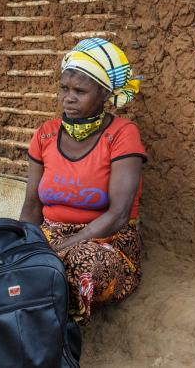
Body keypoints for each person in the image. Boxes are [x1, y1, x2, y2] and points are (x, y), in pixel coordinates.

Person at [19, 38, 147, 325]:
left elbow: (119, 214)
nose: (69, 97)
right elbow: (31, 206)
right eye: (64, 88)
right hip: (51, 235)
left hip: (106, 241)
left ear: (104, 94)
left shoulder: (122, 134)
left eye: (80, 90)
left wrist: (62, 248)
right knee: (2, 253)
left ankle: (54, 327)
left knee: (84, 262)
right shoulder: (46, 134)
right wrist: (23, 245)